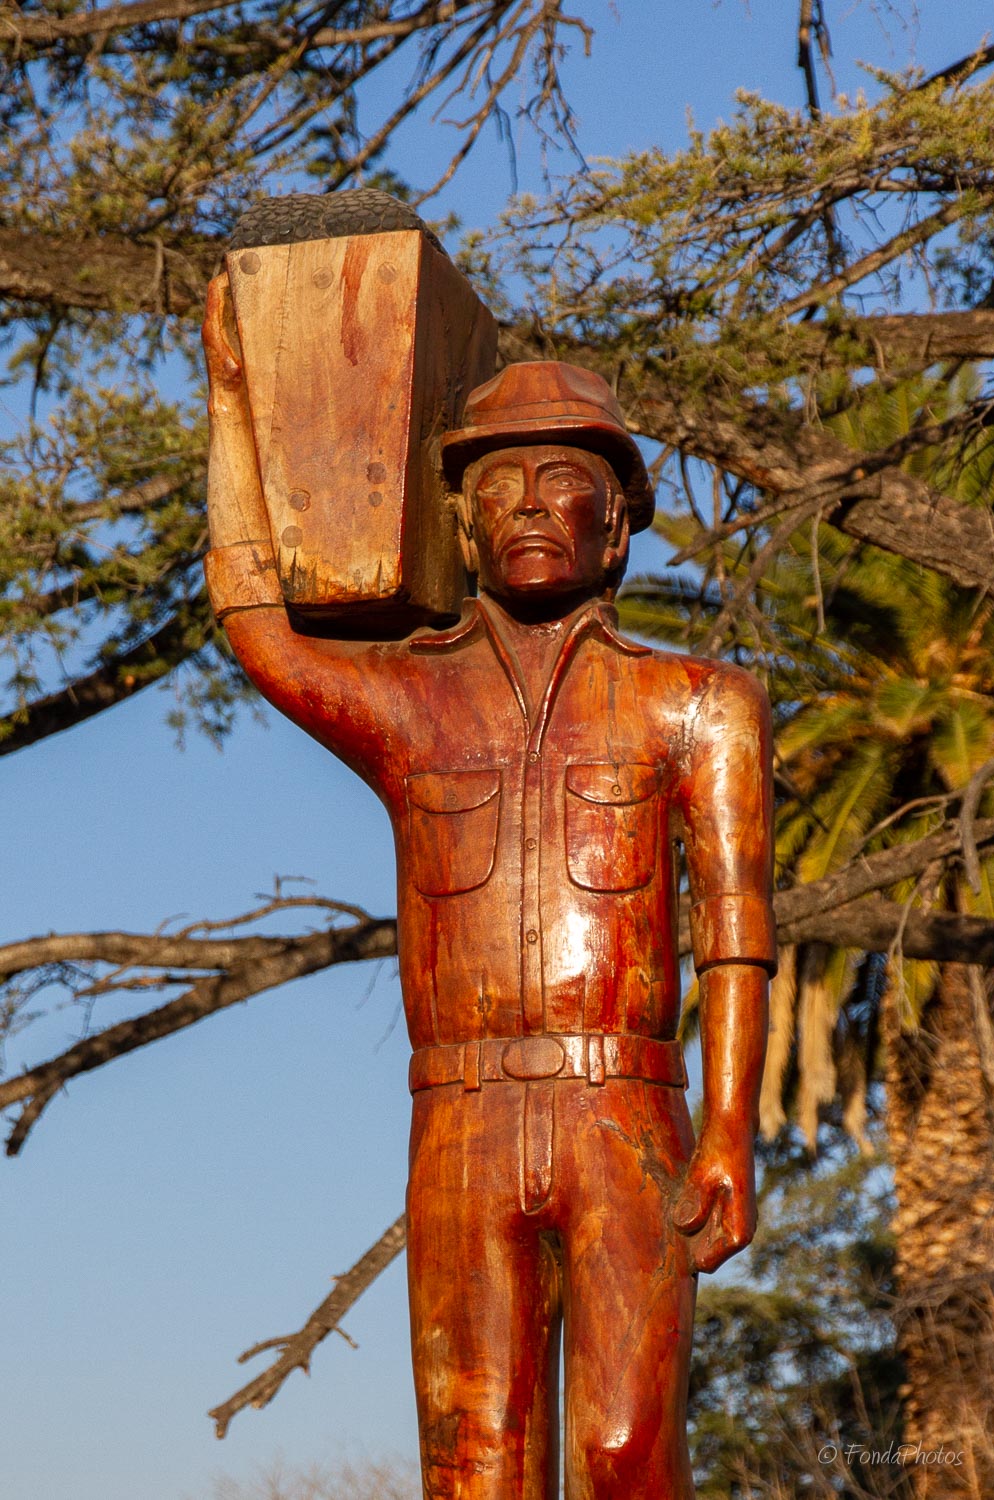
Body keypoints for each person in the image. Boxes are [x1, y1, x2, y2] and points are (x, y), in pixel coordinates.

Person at [203, 285, 775, 1500]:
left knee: (628, 1452)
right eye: (498, 485)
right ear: (461, 524)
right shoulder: (411, 706)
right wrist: (235, 407)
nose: (527, 505)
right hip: (457, 1124)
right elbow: (258, 628)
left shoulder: (697, 702)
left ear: (615, 526)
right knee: (473, 1462)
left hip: (624, 1113)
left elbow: (734, 928)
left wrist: (729, 1122)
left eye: (561, 480)